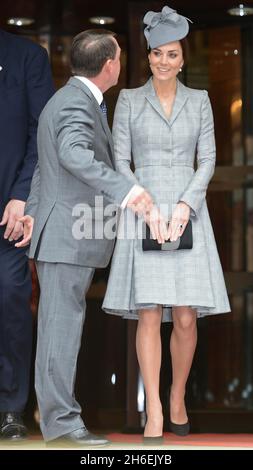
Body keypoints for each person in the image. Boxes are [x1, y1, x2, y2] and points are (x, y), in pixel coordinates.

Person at [17, 29, 167, 447]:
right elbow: (71, 154)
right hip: (68, 235)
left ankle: (59, 420)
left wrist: (32, 213)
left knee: (60, 328)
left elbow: (46, 169)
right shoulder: (73, 105)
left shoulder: (71, 100)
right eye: (119, 56)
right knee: (60, 330)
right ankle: (62, 424)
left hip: (65, 232)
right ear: (109, 66)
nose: (121, 62)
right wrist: (128, 190)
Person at [102, 5, 230, 442]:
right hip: (143, 214)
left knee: (187, 317)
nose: (163, 61)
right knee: (150, 313)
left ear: (183, 58)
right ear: (149, 56)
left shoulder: (200, 101)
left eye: (171, 54)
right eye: (157, 53)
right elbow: (120, 161)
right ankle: (154, 409)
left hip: (188, 216)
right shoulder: (129, 101)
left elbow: (209, 159)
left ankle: (177, 396)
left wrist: (184, 206)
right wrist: (147, 206)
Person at [0, 28, 54, 441]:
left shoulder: (26, 57)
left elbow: (43, 134)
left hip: (9, 214)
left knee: (10, 301)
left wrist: (23, 196)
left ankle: (10, 407)